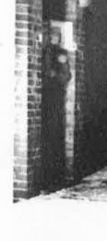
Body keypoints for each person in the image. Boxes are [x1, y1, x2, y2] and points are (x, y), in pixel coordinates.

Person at [41, 30, 72, 188]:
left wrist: (56, 74)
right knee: (45, 136)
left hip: (56, 98)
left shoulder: (61, 53)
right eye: (52, 36)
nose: (54, 38)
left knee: (56, 135)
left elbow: (66, 75)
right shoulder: (44, 51)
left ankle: (56, 176)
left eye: (57, 36)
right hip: (44, 98)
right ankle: (45, 176)